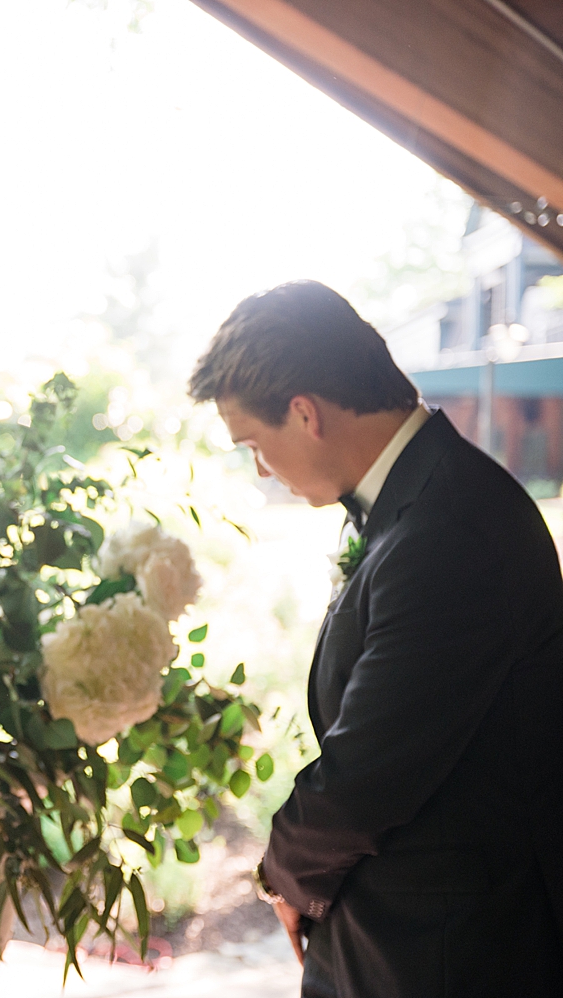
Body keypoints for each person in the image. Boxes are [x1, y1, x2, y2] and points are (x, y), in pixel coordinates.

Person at [188, 280, 563, 997]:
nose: (260, 469)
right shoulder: (413, 502)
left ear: (305, 413)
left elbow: (368, 771)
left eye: (254, 447)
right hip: (401, 938)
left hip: (450, 953)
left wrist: (285, 875)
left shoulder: (449, 528)